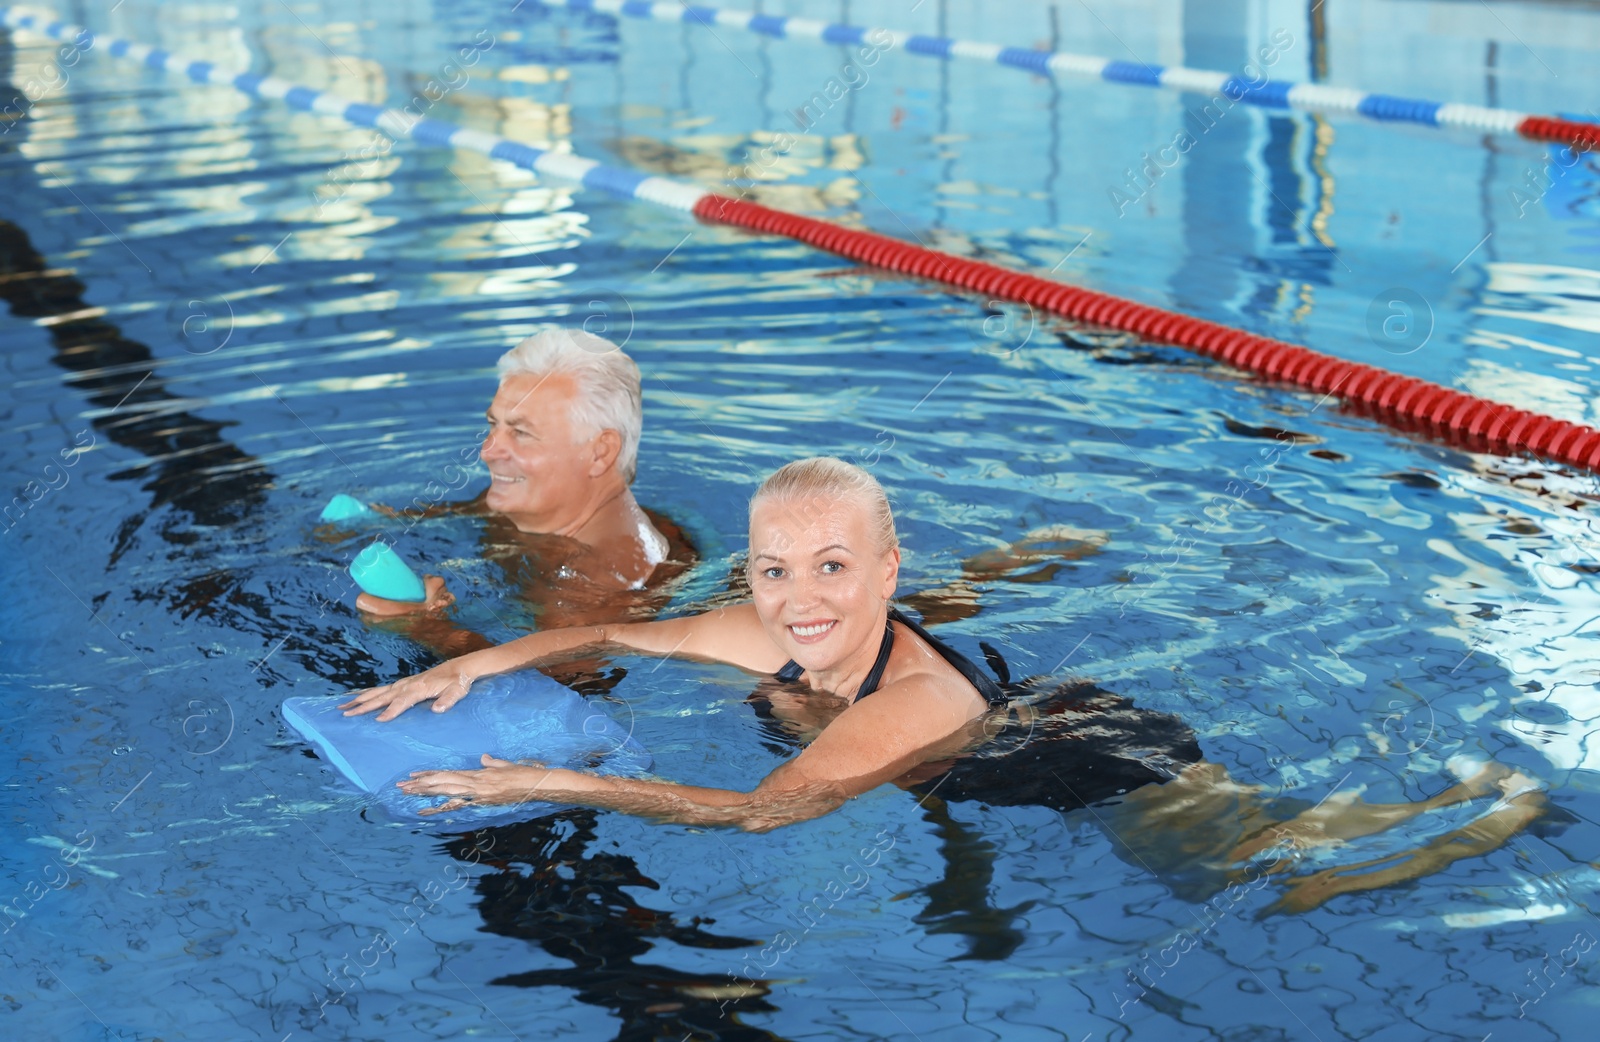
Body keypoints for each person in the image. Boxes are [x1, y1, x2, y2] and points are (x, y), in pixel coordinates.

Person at [342, 456, 1013, 830]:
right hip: (909, 766)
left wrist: (557, 782)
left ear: (889, 569)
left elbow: (762, 810)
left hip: (1059, 771)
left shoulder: (917, 700)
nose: (798, 599)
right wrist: (463, 667)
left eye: (832, 566)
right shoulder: (763, 630)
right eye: (774, 570)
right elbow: (609, 634)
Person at [349, 328, 696, 650]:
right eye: (493, 425)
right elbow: (453, 514)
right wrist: (367, 524)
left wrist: (427, 628)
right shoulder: (527, 503)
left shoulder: (589, 587)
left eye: (521, 432)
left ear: (599, 452)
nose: (487, 451)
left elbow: (553, 695)